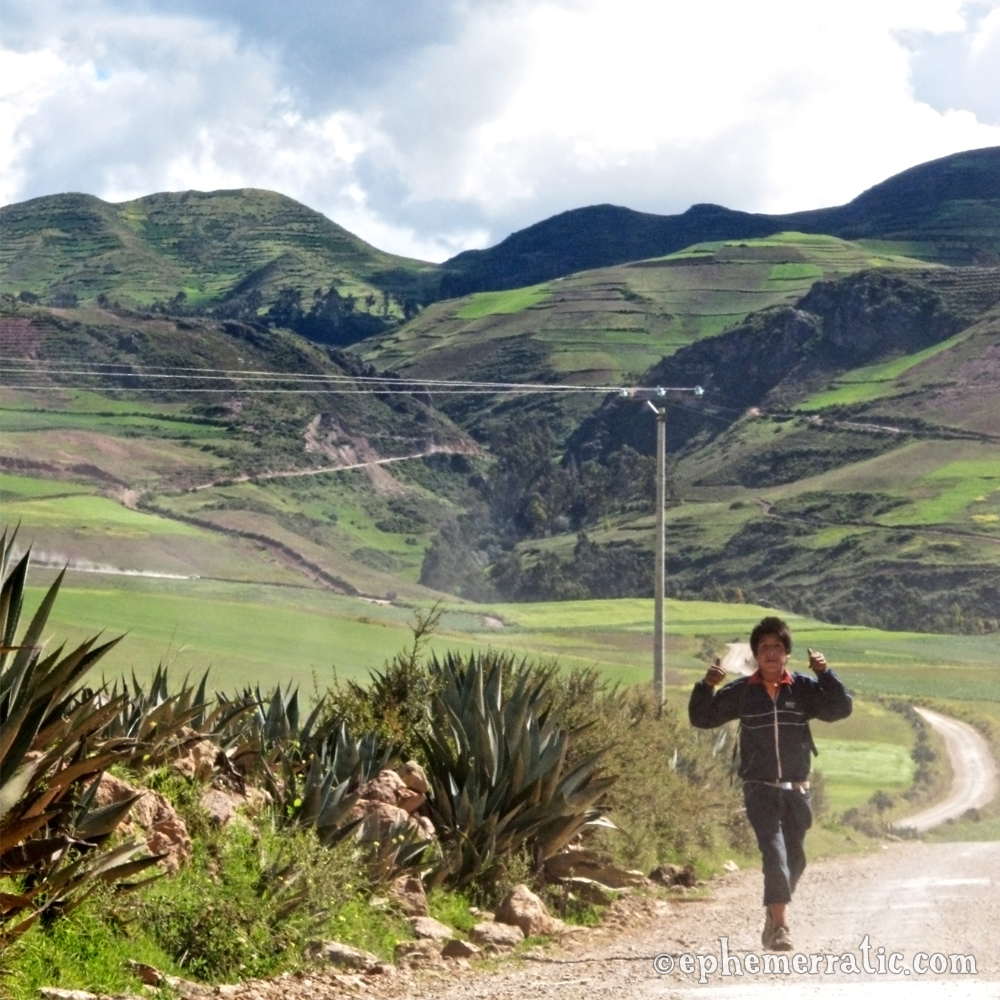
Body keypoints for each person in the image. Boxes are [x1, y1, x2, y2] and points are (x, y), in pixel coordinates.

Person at [688, 616, 852, 952]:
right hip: (759, 788)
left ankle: (773, 912)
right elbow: (701, 718)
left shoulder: (803, 689)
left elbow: (840, 709)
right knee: (774, 855)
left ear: (787, 653)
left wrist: (825, 674)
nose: (771, 653)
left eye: (777, 646)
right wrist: (706, 685)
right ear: (756, 654)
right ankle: (780, 927)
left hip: (797, 790)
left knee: (796, 860)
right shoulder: (742, 693)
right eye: (764, 647)